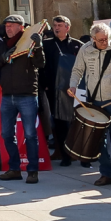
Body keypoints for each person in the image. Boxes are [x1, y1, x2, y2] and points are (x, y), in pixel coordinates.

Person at [69, 22, 111, 187]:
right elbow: (77, 70)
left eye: (107, 39)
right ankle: (105, 174)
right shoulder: (85, 49)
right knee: (98, 140)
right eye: (101, 40)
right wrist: (73, 85)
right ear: (93, 39)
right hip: (94, 101)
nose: (105, 42)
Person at [0, 15, 45, 184]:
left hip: (27, 95)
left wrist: (39, 47)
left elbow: (41, 65)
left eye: (12, 25)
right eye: (7, 25)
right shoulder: (2, 45)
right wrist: (3, 57)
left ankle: (32, 171)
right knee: (6, 134)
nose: (8, 28)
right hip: (7, 96)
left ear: (21, 27)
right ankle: (14, 169)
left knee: (30, 134)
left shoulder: (31, 42)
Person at [42, 15, 84, 166]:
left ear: (67, 27)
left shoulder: (78, 45)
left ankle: (81, 155)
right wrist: (45, 84)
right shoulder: (46, 45)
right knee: (59, 123)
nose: (57, 28)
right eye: (54, 25)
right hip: (54, 90)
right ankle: (65, 155)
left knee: (77, 122)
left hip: (74, 90)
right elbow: (41, 67)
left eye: (60, 25)